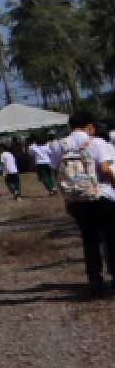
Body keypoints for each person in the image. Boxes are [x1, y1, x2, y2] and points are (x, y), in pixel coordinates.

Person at [56, 112, 115, 298]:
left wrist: (67, 200)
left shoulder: (60, 146)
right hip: (101, 196)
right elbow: (106, 169)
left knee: (89, 241)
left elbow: (60, 175)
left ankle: (94, 280)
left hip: (77, 200)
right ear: (90, 126)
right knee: (111, 240)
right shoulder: (98, 143)